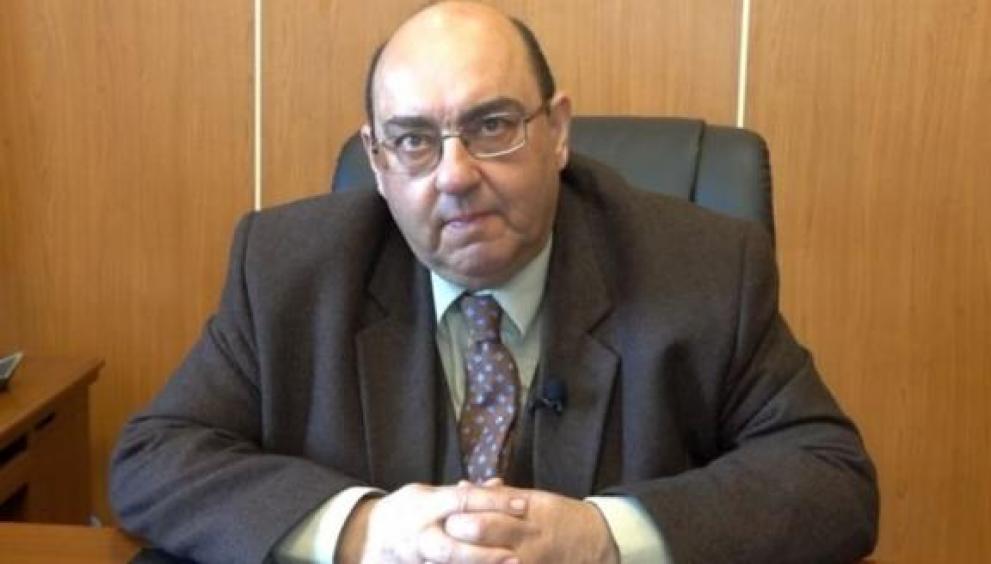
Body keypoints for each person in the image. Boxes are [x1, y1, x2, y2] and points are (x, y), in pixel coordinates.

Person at [109, 2, 879, 563]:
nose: (454, 175)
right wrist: (361, 530)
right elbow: (155, 457)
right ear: (376, 161)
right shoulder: (288, 268)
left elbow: (830, 480)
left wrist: (602, 537)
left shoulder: (702, 267)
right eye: (413, 140)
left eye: (491, 126)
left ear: (557, 132)